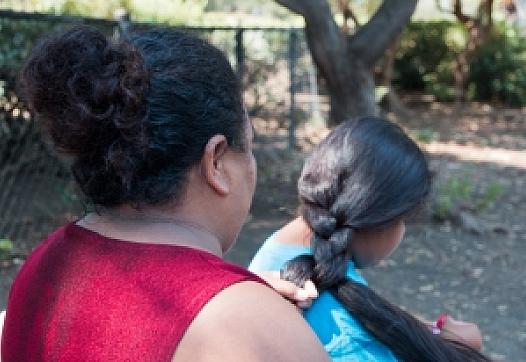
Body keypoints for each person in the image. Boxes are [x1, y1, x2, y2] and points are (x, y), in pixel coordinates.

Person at [1, 26, 328, 361]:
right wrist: (245, 308)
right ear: (215, 161)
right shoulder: (259, 334)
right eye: (251, 145)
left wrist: (237, 294)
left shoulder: (45, 265)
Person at [249, 117, 489, 361]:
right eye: (403, 220)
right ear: (382, 218)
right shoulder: (349, 339)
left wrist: (433, 333)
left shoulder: (282, 249)